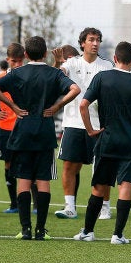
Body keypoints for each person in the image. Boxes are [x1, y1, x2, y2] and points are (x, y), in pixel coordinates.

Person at [0, 36, 80, 240]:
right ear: (46, 53)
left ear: (26, 54)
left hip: (22, 130)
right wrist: (57, 106)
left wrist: (12, 106)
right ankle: (41, 230)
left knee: (23, 179)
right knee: (43, 180)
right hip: (45, 129)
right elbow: (76, 89)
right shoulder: (53, 73)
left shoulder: (18, 73)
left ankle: (25, 229)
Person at [73, 42, 131, 244]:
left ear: (115, 58)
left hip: (106, 140)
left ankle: (88, 232)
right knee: (125, 187)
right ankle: (118, 235)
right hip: (130, 143)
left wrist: (90, 130)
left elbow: (83, 105)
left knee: (99, 187)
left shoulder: (102, 77)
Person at [53, 28, 113, 220]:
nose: (95, 43)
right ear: (82, 43)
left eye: (98, 40)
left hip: (99, 124)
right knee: (70, 166)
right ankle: (70, 207)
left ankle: (105, 206)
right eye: (91, 40)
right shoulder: (71, 63)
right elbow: (56, 77)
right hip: (73, 123)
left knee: (102, 167)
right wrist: (56, 63)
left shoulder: (107, 66)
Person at [0, 43, 26, 213]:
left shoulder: (26, 76)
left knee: (28, 164)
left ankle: (35, 205)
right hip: (6, 129)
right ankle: (13, 204)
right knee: (8, 164)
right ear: (8, 60)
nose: (17, 64)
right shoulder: (0, 78)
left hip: (23, 128)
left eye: (20, 61)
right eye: (14, 61)